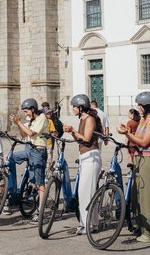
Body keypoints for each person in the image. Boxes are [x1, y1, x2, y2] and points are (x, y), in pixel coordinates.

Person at [118, 91, 150, 244]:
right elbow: (137, 138)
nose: (138, 108)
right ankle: (142, 228)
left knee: (148, 199)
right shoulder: (143, 120)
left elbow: (144, 142)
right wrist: (127, 132)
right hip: (140, 160)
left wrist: (127, 134)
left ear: (147, 106)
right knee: (137, 198)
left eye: (140, 105)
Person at [63, 94, 102, 235]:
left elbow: (86, 138)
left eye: (74, 107)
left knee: (86, 192)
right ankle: (93, 224)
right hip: (85, 157)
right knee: (87, 192)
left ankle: (87, 225)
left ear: (80, 107)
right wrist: (72, 132)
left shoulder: (90, 119)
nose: (72, 109)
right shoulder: (82, 119)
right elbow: (80, 140)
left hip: (91, 157)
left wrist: (73, 130)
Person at [10, 98, 49, 221]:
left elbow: (32, 133)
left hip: (38, 150)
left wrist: (19, 123)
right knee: (9, 158)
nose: (26, 114)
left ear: (33, 109)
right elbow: (24, 135)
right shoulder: (32, 120)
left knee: (40, 184)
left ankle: (40, 210)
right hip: (29, 148)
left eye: (26, 111)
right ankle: (11, 190)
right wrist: (18, 124)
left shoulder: (42, 117)